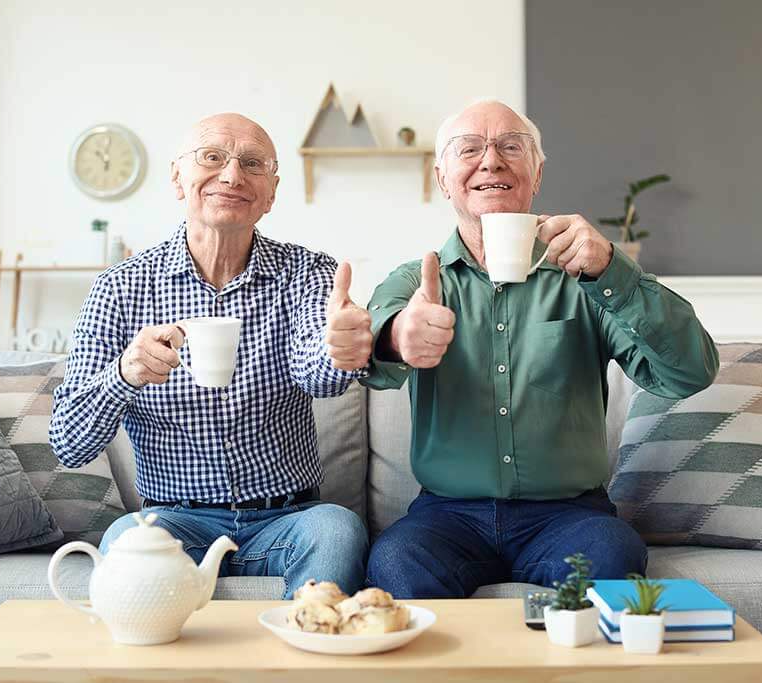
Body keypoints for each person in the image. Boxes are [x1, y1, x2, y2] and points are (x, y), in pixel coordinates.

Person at [362, 100, 719, 598]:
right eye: (469, 150)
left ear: (537, 173)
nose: (491, 161)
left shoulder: (590, 277)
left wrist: (615, 271)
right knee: (397, 564)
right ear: (443, 178)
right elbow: (371, 361)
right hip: (447, 515)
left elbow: (689, 372)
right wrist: (400, 336)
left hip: (570, 515)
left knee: (612, 555)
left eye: (511, 147)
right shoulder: (415, 281)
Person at [50, 113, 373, 598]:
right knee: (124, 539)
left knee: (337, 529)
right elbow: (69, 443)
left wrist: (340, 350)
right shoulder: (119, 288)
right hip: (174, 520)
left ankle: (304, 661)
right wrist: (124, 373)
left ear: (271, 193)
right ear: (178, 178)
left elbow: (319, 376)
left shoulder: (308, 272)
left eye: (251, 163)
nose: (231, 175)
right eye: (213, 158)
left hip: (288, 518)